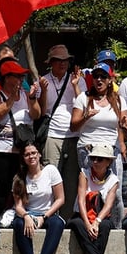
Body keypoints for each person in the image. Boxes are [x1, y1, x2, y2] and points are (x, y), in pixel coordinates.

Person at [0, 59, 41, 215]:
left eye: (22, 76)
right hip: (0, 151)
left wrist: (32, 98)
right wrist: (11, 98)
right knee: (1, 187)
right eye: (17, 76)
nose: (21, 80)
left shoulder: (25, 95)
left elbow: (36, 114)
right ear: (6, 77)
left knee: (19, 187)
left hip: (22, 151)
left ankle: (15, 216)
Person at [37, 44, 83, 219]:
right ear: (51, 62)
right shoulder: (43, 81)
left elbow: (84, 104)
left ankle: (66, 219)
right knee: (51, 177)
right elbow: (41, 112)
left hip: (73, 135)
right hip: (52, 135)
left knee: (71, 181)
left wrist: (76, 85)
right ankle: (50, 217)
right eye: (58, 61)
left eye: (65, 60)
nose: (62, 64)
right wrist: (43, 91)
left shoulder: (77, 79)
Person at [11, 143, 65, 254]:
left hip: (47, 213)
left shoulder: (51, 171)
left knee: (58, 223)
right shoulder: (19, 178)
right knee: (19, 224)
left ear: (39, 154)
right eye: (27, 154)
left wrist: (44, 216)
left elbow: (60, 199)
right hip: (28, 214)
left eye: (33, 153)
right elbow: (18, 206)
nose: (31, 156)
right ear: (23, 158)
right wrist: (26, 217)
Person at [67, 143, 120, 254]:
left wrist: (96, 222)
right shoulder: (84, 173)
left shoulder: (113, 180)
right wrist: (87, 224)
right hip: (81, 215)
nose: (95, 162)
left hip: (100, 218)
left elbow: (108, 206)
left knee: (105, 226)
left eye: (99, 159)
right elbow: (81, 201)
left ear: (108, 162)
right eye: (93, 158)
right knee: (79, 225)